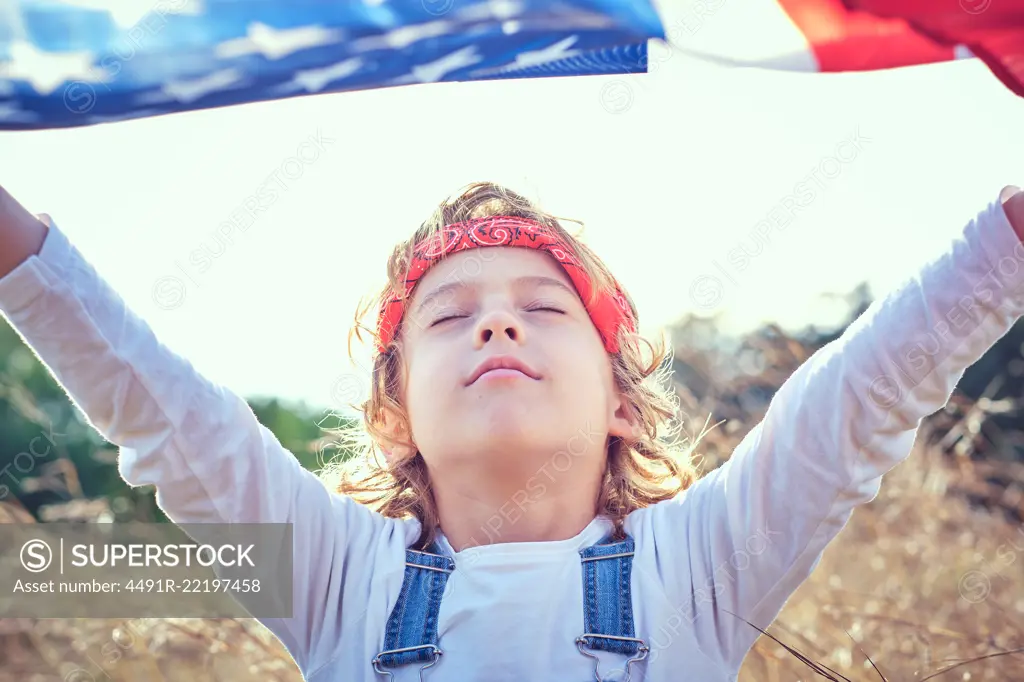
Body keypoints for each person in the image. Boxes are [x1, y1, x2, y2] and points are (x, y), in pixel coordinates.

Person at [2, 179, 1024, 682]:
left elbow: (865, 387)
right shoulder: (336, 577)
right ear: (397, 418)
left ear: (620, 404)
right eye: (447, 317)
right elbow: (157, 405)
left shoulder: (703, 562)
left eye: (542, 307)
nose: (495, 319)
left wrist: (1007, 237)